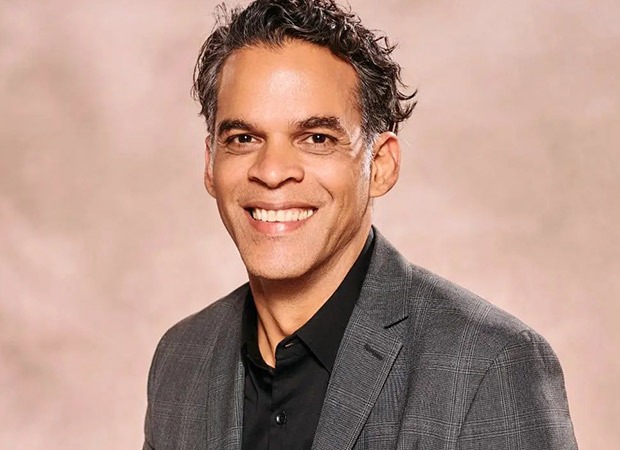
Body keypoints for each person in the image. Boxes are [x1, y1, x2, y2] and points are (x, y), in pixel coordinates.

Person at [142, 1, 578, 449]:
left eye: (316, 138)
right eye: (244, 138)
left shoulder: (491, 364)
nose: (272, 172)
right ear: (210, 164)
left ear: (381, 165)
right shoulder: (180, 360)